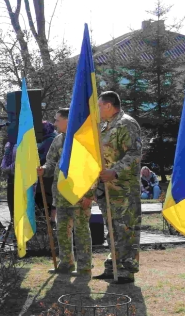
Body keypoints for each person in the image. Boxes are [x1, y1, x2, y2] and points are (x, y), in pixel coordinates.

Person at [38, 109, 93, 274]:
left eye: (57, 120)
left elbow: (91, 169)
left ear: (68, 120)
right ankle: (66, 263)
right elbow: (51, 163)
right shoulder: (58, 140)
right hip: (61, 195)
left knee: (81, 231)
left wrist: (89, 194)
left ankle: (84, 266)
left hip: (79, 194)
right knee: (62, 231)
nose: (54, 123)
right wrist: (43, 169)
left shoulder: (83, 140)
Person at [94, 91, 142, 283]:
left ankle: (126, 270)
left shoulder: (127, 123)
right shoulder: (107, 126)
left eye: (98, 106)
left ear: (108, 105)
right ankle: (113, 266)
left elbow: (134, 153)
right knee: (112, 228)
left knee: (126, 228)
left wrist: (114, 171)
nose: (97, 110)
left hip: (124, 187)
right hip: (108, 188)